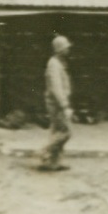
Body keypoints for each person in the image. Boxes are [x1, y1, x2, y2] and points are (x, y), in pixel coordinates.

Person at [38, 35, 73, 172]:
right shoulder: (53, 64)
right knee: (66, 132)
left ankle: (54, 163)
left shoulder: (59, 63)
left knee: (58, 131)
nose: (68, 50)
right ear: (59, 49)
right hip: (56, 104)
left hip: (58, 102)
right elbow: (56, 87)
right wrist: (64, 105)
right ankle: (44, 151)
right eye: (65, 47)